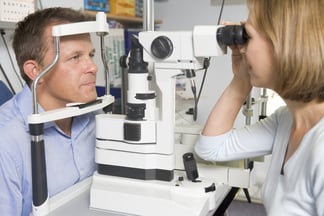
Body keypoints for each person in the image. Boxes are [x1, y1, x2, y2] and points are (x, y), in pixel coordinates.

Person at [195, 0, 324, 215]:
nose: (241, 47)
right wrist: (240, 81)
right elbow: (211, 148)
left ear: (285, 43)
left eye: (248, 36)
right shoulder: (287, 120)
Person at [0, 7, 101, 216]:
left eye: (90, 55)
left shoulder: (92, 117)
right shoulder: (7, 142)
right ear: (35, 71)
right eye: (75, 57)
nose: (92, 67)